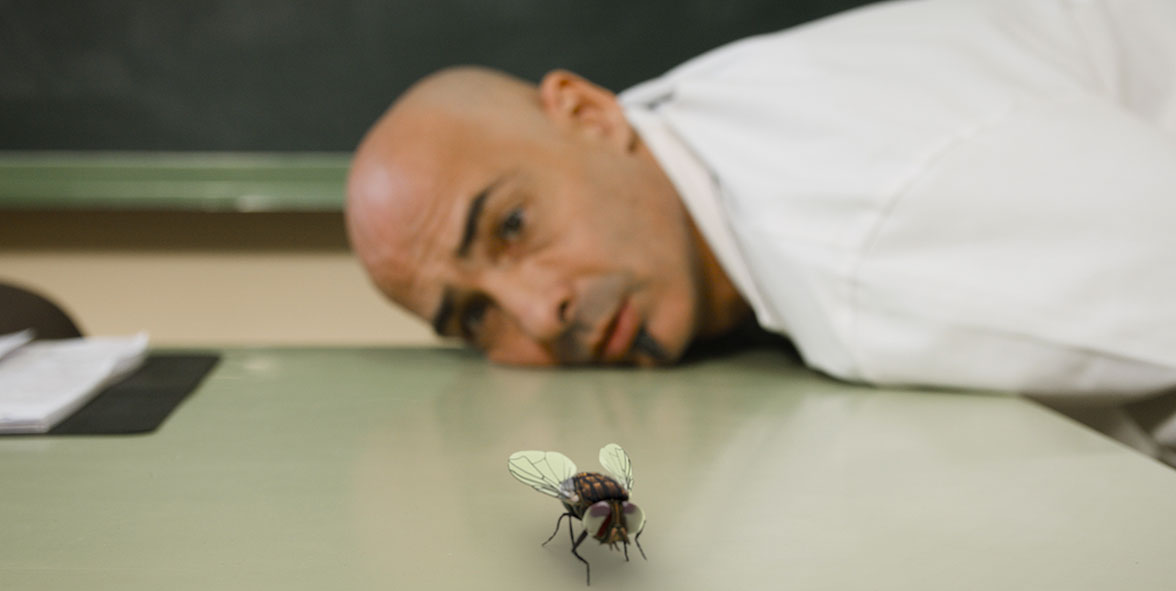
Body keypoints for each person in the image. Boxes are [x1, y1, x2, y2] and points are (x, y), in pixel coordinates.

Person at [345, 0, 1176, 454]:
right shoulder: (700, 121)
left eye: (512, 225)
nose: (537, 314)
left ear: (589, 112)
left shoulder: (873, 237)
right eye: (474, 316)